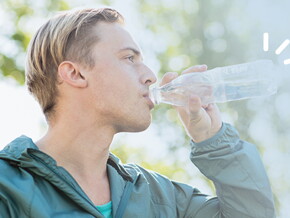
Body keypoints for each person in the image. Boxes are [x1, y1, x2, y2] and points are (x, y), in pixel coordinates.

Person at [0, 8, 275, 218]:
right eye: (129, 58)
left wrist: (213, 141)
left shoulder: (162, 199)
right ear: (75, 73)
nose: (151, 77)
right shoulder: (8, 188)